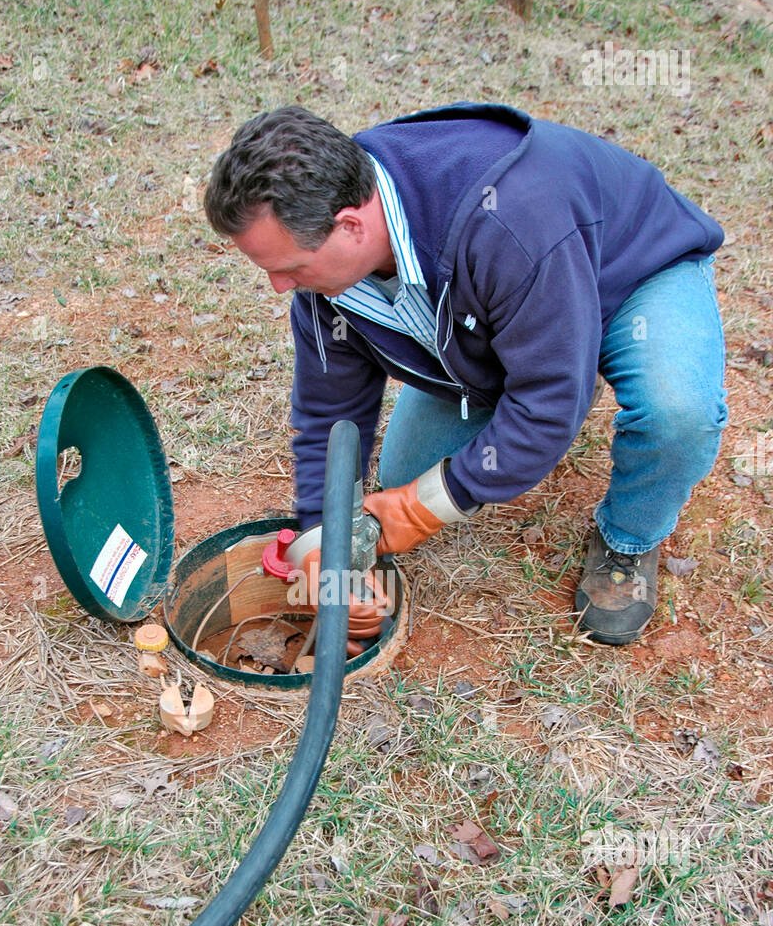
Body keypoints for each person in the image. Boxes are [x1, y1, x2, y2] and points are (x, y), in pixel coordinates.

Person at [204, 102, 727, 646]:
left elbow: (547, 408)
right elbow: (328, 417)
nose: (279, 287)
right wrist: (323, 542)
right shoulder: (324, 274)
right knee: (411, 470)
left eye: (288, 269)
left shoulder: (506, 218)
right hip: (517, 313)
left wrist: (417, 508)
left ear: (351, 226)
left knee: (677, 411)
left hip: (630, 275)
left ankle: (629, 537)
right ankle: (550, 353)